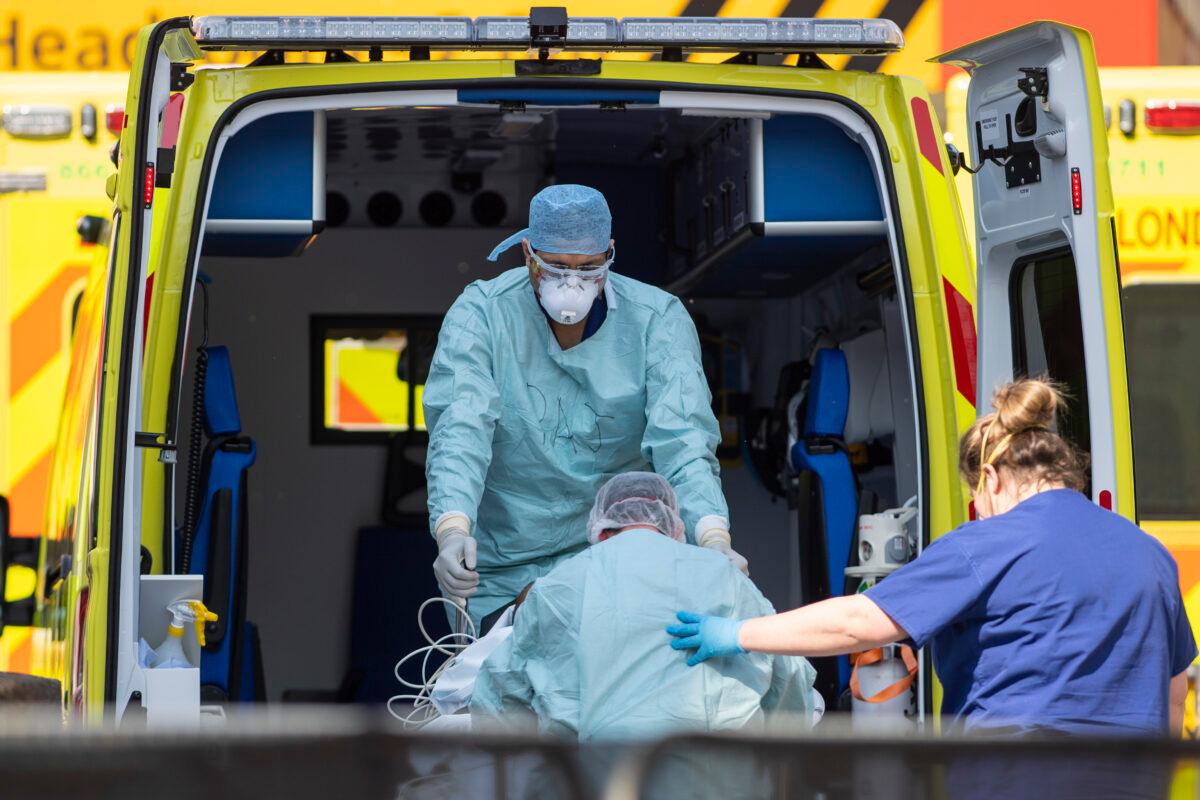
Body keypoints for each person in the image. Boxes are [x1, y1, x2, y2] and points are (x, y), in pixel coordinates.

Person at [668, 379, 1198, 736]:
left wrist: (736, 633)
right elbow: (1173, 697)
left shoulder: (987, 545)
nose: (978, 511)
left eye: (976, 498)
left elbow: (857, 625)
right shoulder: (1150, 554)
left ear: (990, 479)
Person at [424, 184, 745, 628]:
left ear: (610, 253)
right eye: (556, 267)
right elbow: (461, 427)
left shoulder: (656, 319)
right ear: (527, 254)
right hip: (502, 568)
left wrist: (713, 538)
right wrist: (452, 529)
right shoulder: (483, 314)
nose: (572, 285)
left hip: (619, 557)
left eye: (590, 268)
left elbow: (684, 441)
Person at [470, 472, 818, 740]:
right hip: (714, 779)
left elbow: (499, 694)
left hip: (592, 781)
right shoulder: (724, 576)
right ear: (674, 527)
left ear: (601, 530)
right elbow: (790, 675)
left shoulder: (557, 587)